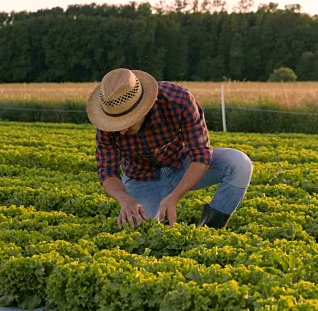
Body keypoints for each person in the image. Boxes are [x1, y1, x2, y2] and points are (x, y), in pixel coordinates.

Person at [86, 68, 253, 229]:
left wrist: (174, 197)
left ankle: (210, 230)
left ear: (143, 108)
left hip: (182, 165)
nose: (121, 131)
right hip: (141, 179)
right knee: (143, 232)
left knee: (239, 164)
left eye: (126, 123)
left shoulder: (177, 99)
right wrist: (126, 200)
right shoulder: (107, 121)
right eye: (116, 124)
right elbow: (107, 171)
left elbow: (201, 154)